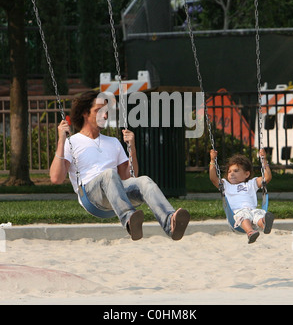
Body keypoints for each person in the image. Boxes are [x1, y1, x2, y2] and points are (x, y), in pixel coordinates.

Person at [50, 90, 190, 241]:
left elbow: (129, 177)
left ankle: (170, 222)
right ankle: (129, 220)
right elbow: (56, 178)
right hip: (91, 196)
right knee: (109, 174)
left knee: (144, 180)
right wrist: (61, 140)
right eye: (98, 111)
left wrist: (132, 148)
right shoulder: (72, 142)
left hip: (116, 194)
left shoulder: (113, 142)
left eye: (106, 111)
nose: (104, 116)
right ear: (85, 113)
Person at [209, 149, 274, 244]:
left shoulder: (251, 183)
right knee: (244, 217)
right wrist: (212, 161)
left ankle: (264, 224)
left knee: (259, 215)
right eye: (229, 171)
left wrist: (264, 160)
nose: (231, 174)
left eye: (236, 171)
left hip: (252, 210)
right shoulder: (226, 185)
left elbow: (267, 178)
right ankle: (250, 232)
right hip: (237, 213)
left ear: (246, 174)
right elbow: (213, 178)